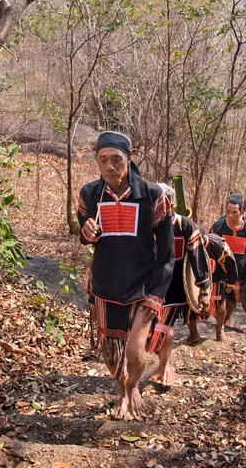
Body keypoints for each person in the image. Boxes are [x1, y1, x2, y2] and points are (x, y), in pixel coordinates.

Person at [78, 131, 174, 419]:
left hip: (144, 286)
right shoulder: (89, 194)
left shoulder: (153, 196)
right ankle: (122, 391)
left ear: (129, 160)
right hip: (106, 285)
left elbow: (167, 254)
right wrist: (86, 233)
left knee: (134, 352)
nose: (110, 166)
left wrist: (157, 294)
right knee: (111, 352)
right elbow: (84, 231)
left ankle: (134, 385)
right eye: (103, 160)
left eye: (116, 160)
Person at [147, 185, 211, 386]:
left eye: (161, 199)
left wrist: (204, 289)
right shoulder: (144, 224)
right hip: (148, 284)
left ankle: (166, 365)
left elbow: (197, 258)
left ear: (171, 202)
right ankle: (163, 362)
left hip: (175, 287)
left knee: (163, 327)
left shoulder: (185, 226)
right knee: (149, 329)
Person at [211, 194, 246, 340]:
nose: (230, 215)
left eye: (234, 212)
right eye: (228, 211)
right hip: (220, 268)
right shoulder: (218, 226)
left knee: (232, 301)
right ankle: (219, 330)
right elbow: (211, 244)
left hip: (239, 269)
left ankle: (226, 319)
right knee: (220, 299)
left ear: (243, 212)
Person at [203, 232, 238, 342]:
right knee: (191, 305)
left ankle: (219, 330)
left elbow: (231, 264)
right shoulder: (189, 244)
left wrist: (230, 283)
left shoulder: (218, 245)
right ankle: (193, 334)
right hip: (196, 277)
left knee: (220, 304)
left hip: (218, 275)